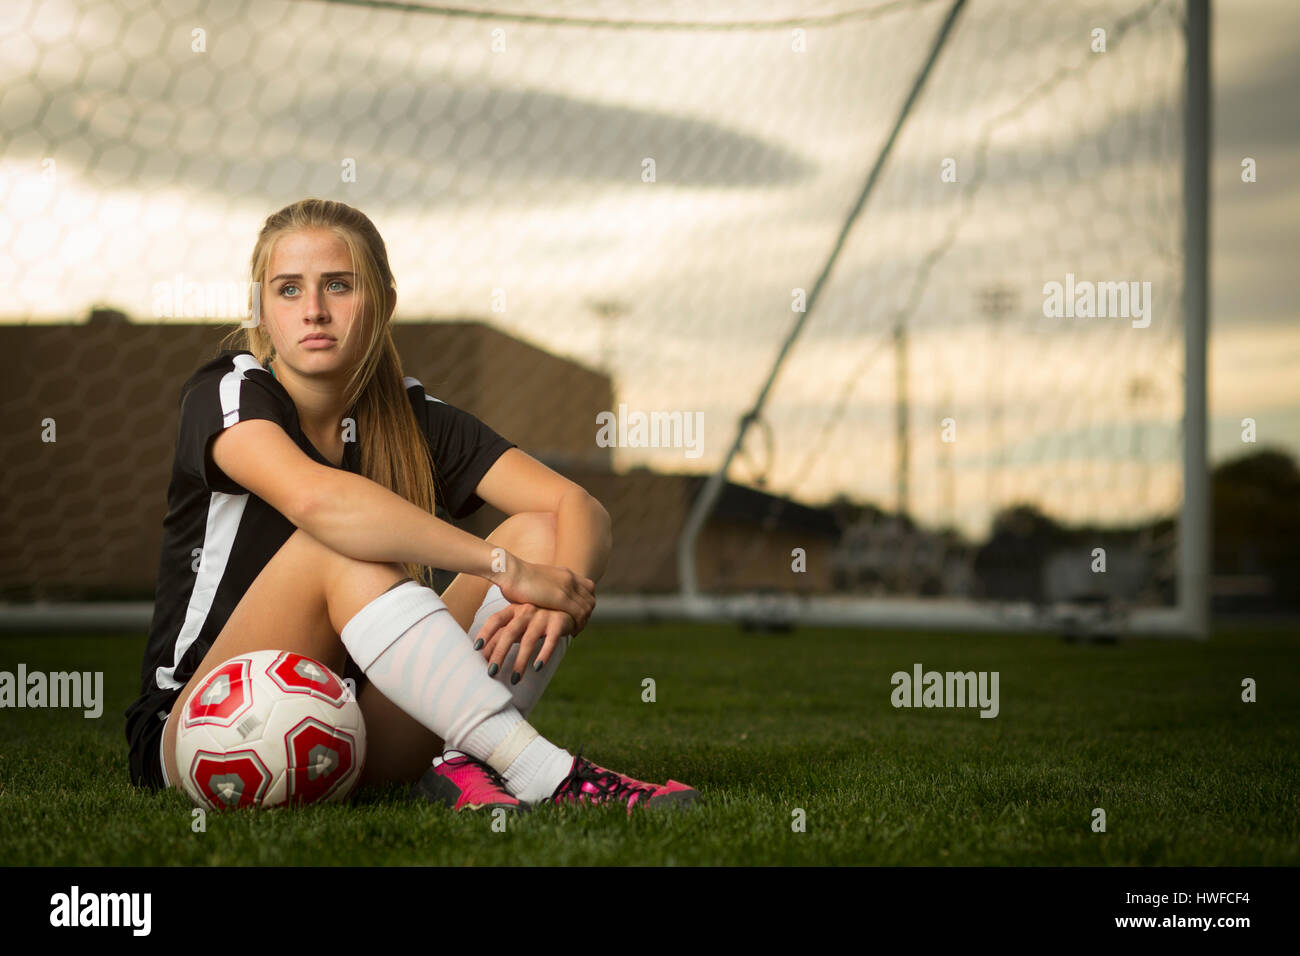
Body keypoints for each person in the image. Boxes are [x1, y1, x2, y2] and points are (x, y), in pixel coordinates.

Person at [123, 198, 695, 812]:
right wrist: (503, 568)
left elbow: (576, 506)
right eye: (288, 289)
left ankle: (465, 764)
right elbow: (321, 501)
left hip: (350, 732)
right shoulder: (227, 391)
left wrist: (561, 594)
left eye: (338, 285)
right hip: (205, 732)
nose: (314, 310)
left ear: (383, 302)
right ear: (261, 310)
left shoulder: (412, 416)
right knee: (337, 541)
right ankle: (543, 772)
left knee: (542, 533)